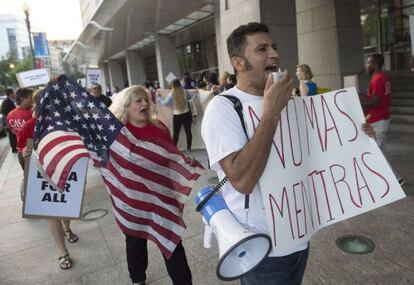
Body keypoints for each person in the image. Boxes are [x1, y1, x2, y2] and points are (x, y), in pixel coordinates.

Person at [201, 22, 376, 285]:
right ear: (238, 62)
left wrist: (358, 138)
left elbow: (316, 156)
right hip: (262, 248)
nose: (274, 54)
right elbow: (242, 181)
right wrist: (270, 113)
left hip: (300, 237)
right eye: (262, 49)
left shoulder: (291, 102)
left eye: (274, 47)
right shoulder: (223, 109)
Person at [109, 85, 193, 285]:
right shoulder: (117, 133)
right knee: (135, 242)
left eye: (146, 99)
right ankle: (138, 279)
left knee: (172, 242)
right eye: (138, 101)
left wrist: (183, 161)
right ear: (127, 106)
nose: (145, 104)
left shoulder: (159, 127)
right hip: (133, 200)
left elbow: (171, 154)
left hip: (162, 197)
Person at [18, 88, 79, 270]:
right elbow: (22, 152)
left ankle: (67, 229)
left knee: (66, 208)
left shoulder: (67, 122)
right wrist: (25, 153)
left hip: (64, 169)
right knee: (51, 214)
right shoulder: (29, 126)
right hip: (41, 172)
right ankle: (63, 253)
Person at [360, 53, 404, 185]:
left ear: (375, 64)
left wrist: (360, 101)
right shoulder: (382, 77)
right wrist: (363, 96)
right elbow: (375, 97)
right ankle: (389, 178)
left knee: (376, 153)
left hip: (378, 120)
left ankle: (396, 178)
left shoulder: (377, 79)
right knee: (381, 152)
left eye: (368, 63)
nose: (366, 65)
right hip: (382, 119)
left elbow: (376, 101)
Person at [157, 79, 194, 152]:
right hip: (187, 114)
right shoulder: (185, 92)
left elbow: (165, 104)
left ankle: (173, 149)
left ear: (172, 85)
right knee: (188, 132)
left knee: (176, 133)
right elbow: (190, 100)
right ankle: (189, 148)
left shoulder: (171, 94)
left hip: (177, 116)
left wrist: (159, 98)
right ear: (180, 84)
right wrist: (195, 95)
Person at [6, 88, 33, 169]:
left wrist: (20, 134)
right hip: (32, 152)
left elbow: (11, 129)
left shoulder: (10, 114)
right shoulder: (31, 113)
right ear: (23, 99)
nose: (32, 100)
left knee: (27, 178)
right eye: (30, 97)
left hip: (21, 152)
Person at [1, 88, 17, 152]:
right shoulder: (6, 101)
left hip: (12, 120)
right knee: (12, 135)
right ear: (11, 93)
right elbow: (5, 112)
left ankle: (16, 147)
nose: (14, 94)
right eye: (13, 93)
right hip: (9, 121)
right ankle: (14, 148)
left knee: (14, 134)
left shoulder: (11, 100)